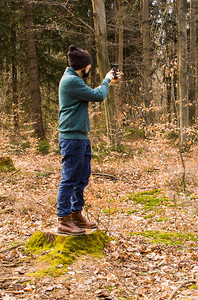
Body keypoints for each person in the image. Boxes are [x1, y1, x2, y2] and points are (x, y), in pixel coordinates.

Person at [56, 45, 121, 235]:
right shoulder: (71, 81)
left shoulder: (74, 80)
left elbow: (93, 93)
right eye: (89, 65)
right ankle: (64, 219)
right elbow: (98, 95)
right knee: (69, 178)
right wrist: (107, 80)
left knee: (82, 177)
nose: (90, 68)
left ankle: (76, 214)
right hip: (72, 138)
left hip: (80, 137)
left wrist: (108, 83)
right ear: (83, 65)